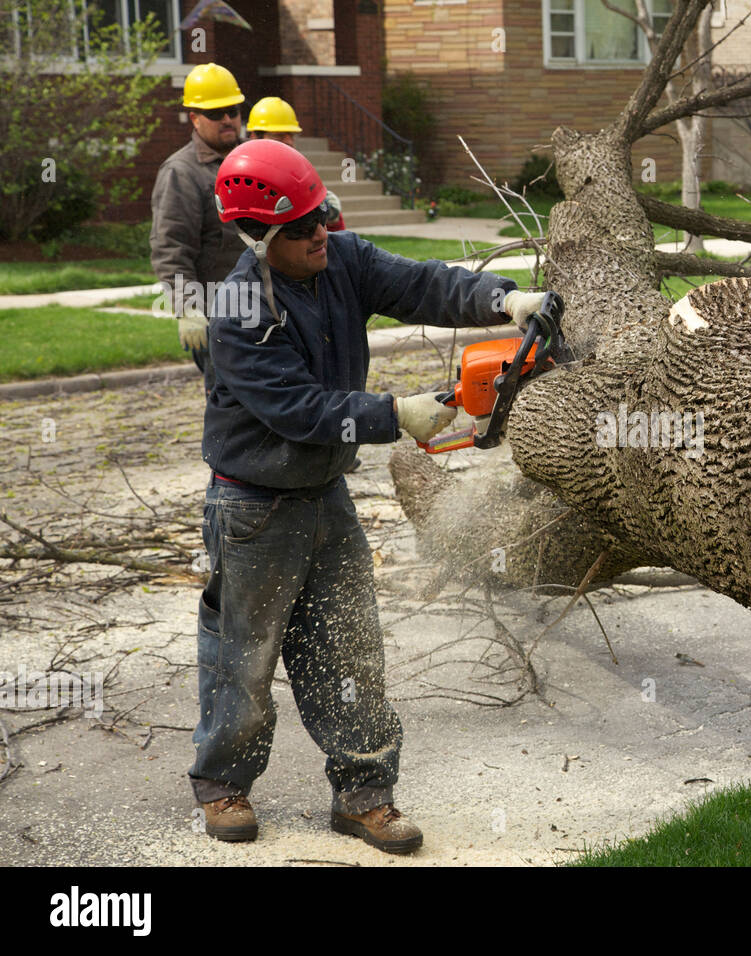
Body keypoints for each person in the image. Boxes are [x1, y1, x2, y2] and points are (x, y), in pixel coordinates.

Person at [191, 138, 556, 854]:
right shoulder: (237, 309)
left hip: (324, 495)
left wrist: (504, 298)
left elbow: (420, 282)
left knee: (349, 651)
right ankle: (223, 784)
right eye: (300, 228)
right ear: (260, 237)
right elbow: (299, 409)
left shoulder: (342, 259)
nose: (319, 233)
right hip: (252, 508)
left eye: (321, 215)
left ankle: (364, 796)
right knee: (246, 658)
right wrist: (396, 415)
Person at [150, 63, 247, 374]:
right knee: (232, 416)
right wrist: (187, 306)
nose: (228, 119)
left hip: (269, 308)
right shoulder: (181, 173)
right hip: (221, 318)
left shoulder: (252, 160)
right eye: (215, 113)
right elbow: (171, 248)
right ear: (194, 117)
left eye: (232, 110)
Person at [247, 96, 346, 231]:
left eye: (291, 135)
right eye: (279, 135)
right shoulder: (244, 177)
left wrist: (333, 219)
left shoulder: (299, 173)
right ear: (255, 137)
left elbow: (331, 238)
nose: (289, 141)